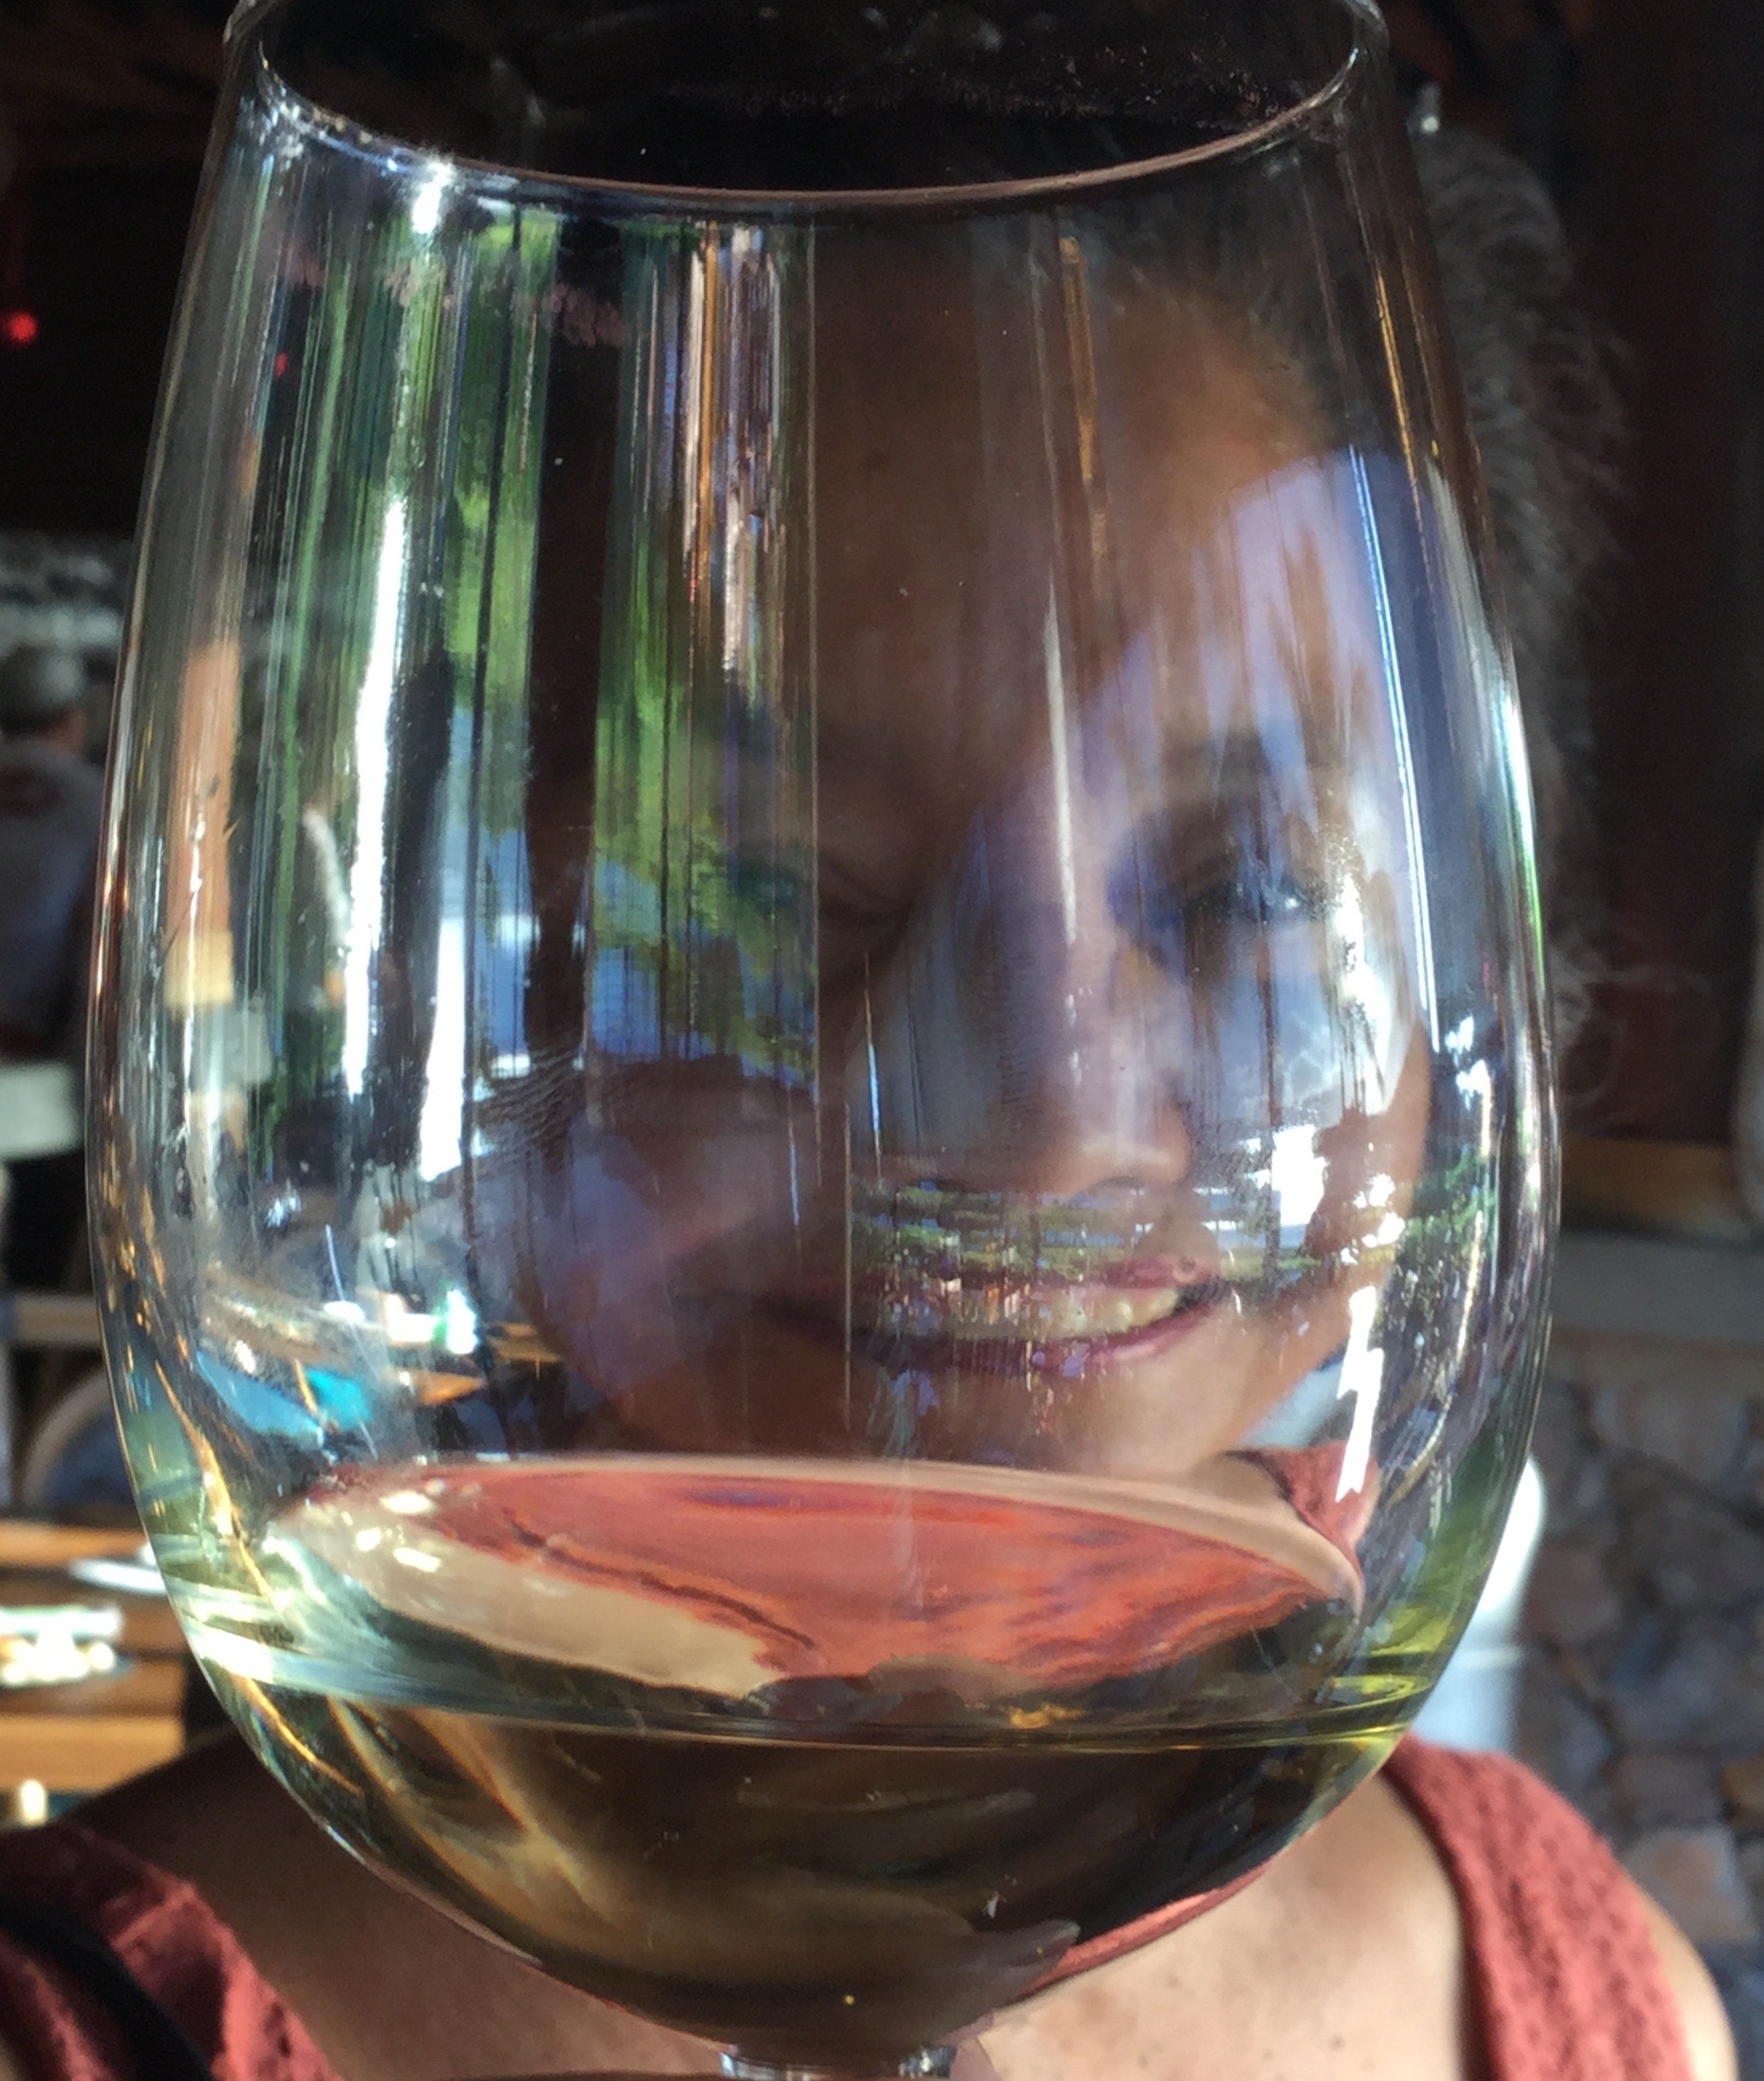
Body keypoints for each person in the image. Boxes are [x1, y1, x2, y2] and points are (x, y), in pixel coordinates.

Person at [0, 122, 1734, 2081]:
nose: (1042, 1129)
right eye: (758, 890)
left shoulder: (1597, 2002)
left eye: (1246, 892)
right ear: (414, 984)